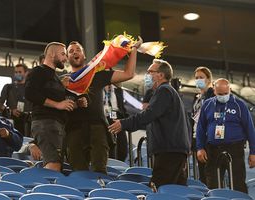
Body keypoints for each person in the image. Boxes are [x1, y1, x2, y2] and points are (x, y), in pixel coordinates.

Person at [109, 59, 190, 188]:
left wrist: (124, 123)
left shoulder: (164, 91)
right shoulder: (170, 92)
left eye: (150, 72)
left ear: (161, 75)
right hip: (176, 150)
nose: (147, 75)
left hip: (169, 151)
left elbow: (149, 115)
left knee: (159, 189)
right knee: (175, 192)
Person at [65, 38, 142, 174]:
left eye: (78, 50)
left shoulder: (96, 75)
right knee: (77, 173)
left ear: (84, 56)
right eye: (71, 51)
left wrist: (134, 50)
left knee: (99, 172)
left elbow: (128, 74)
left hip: (98, 129)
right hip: (73, 130)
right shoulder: (64, 80)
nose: (75, 52)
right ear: (66, 57)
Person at [25, 42, 86, 171]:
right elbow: (29, 93)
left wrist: (76, 104)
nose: (65, 58)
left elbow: (61, 104)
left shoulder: (56, 78)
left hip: (56, 126)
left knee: (56, 165)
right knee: (53, 166)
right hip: (46, 124)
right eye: (63, 54)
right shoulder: (39, 71)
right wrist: (58, 104)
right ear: (52, 54)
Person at [196, 78, 255, 193]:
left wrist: (253, 152)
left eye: (225, 93)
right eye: (220, 94)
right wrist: (200, 148)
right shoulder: (207, 105)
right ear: (214, 91)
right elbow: (201, 128)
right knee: (212, 184)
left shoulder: (239, 105)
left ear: (230, 90)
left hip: (234, 148)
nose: (223, 96)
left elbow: (250, 129)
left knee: (238, 183)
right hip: (212, 149)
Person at [191, 66, 214, 184]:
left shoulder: (212, 95)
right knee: (202, 175)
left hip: (208, 140)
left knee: (209, 174)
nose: (198, 80)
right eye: (196, 78)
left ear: (209, 79)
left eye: (201, 77)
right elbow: (193, 119)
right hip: (197, 138)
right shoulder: (197, 98)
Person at [0, 64, 33, 136]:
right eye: (16, 72)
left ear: (26, 73)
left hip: (27, 123)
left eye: (20, 72)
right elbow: (0, 104)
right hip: (11, 122)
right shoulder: (8, 87)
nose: (17, 74)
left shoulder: (31, 88)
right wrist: (10, 111)